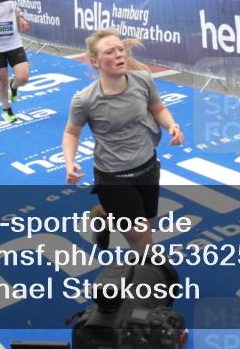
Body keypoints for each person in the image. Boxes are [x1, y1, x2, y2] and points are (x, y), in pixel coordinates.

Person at [62, 30, 184, 252]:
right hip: (113, 176)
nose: (120, 55)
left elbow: (159, 109)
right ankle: (152, 281)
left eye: (121, 50)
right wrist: (69, 162)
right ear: (95, 62)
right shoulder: (84, 100)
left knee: (148, 224)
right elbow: (71, 133)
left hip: (147, 166)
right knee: (141, 241)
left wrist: (171, 125)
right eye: (110, 52)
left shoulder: (143, 80)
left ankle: (105, 217)